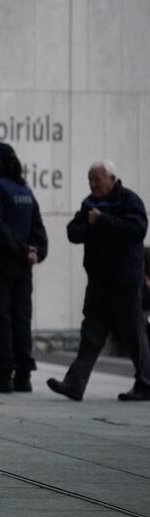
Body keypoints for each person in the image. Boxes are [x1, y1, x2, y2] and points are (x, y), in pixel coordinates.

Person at [48, 161, 150, 402]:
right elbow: (73, 232)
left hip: (124, 283)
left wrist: (103, 221)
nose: (93, 184)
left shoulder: (128, 200)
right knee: (91, 335)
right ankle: (74, 384)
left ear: (112, 179)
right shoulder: (89, 205)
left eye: (97, 179)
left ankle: (146, 383)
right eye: (90, 180)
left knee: (133, 334)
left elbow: (137, 230)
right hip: (98, 282)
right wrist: (93, 225)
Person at [0, 142, 48, 394]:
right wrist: (34, 251)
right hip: (23, 267)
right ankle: (23, 375)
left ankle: (4, 374)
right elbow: (38, 228)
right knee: (20, 318)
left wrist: (20, 249)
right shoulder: (25, 191)